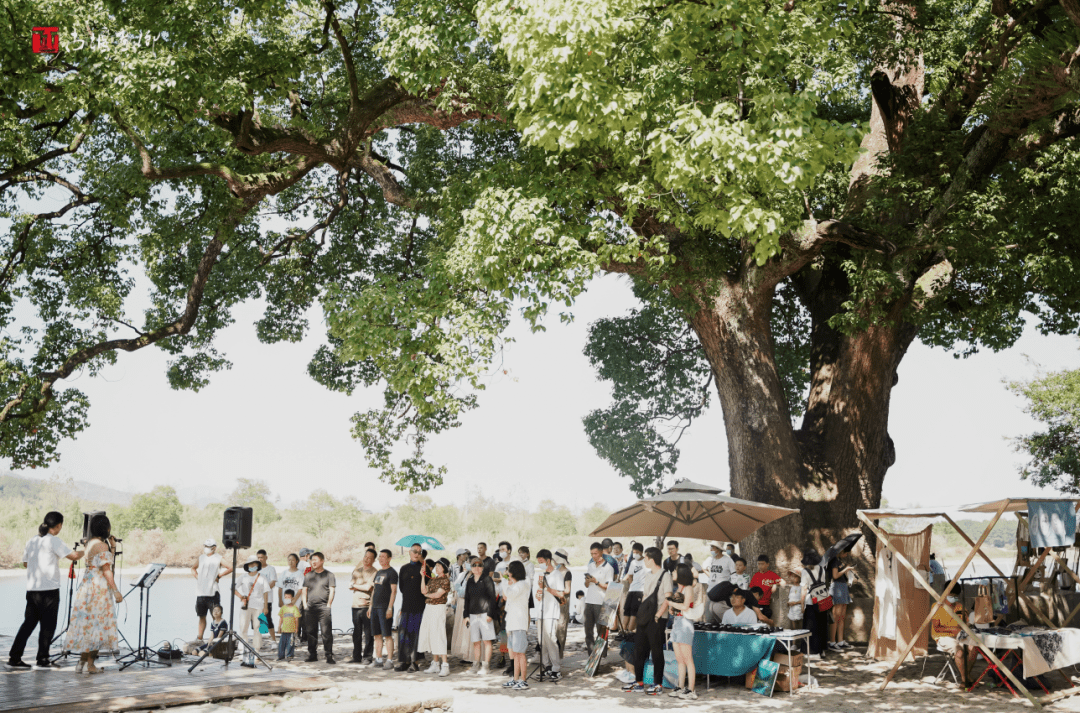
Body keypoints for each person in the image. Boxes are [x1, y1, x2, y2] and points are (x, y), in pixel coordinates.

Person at [8, 511, 84, 670]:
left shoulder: (32, 540)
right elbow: (75, 556)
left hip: (32, 590)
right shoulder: (54, 541)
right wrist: (88, 548)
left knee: (28, 624)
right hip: (49, 590)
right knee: (48, 626)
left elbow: (25, 564)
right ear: (58, 526)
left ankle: (14, 658)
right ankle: (42, 659)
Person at [68, 514, 121, 674]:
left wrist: (112, 547)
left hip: (87, 586)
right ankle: (90, 665)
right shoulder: (101, 546)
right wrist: (116, 590)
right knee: (99, 625)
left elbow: (102, 562)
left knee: (88, 626)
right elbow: (106, 570)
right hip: (99, 588)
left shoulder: (90, 543)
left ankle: (81, 663)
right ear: (106, 528)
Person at [623, 546, 671, 695]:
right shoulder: (648, 574)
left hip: (657, 618)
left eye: (645, 558)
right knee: (639, 649)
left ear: (652, 559)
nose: (644, 560)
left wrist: (658, 615)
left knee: (656, 651)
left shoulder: (665, 575)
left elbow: (668, 597)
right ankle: (639, 682)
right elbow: (646, 595)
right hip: (645, 617)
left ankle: (658, 684)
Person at [667, 563, 705, 700]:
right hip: (677, 623)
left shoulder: (688, 588)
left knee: (688, 659)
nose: (673, 572)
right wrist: (672, 608)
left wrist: (671, 604)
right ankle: (680, 686)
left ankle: (691, 689)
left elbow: (685, 606)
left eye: (675, 570)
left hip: (685, 624)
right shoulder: (679, 588)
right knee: (679, 659)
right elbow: (679, 608)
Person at [535, 549, 569, 681]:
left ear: (548, 561)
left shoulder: (557, 575)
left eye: (542, 562)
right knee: (541, 641)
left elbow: (561, 594)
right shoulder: (543, 575)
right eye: (538, 562)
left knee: (551, 640)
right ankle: (546, 666)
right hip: (541, 611)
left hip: (551, 612)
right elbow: (540, 594)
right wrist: (539, 593)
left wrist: (547, 588)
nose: (540, 564)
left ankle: (556, 668)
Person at [191, 538, 231, 643]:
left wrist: (219, 576)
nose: (206, 548)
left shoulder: (218, 558)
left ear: (214, 548)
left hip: (213, 592)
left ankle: (216, 639)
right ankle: (199, 638)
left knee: (216, 617)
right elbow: (193, 568)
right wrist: (197, 577)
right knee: (201, 616)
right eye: (205, 546)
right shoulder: (201, 557)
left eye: (208, 547)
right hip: (201, 592)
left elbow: (231, 567)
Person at [499, 560, 530, 690]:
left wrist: (504, 580)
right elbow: (507, 598)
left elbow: (509, 594)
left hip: (519, 624)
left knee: (520, 653)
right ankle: (515, 678)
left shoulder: (523, 584)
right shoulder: (516, 584)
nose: (507, 572)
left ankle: (523, 680)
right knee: (514, 653)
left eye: (509, 570)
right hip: (511, 623)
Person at [464, 556, 498, 675]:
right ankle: (475, 664)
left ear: (483, 567)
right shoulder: (470, 580)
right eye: (474, 565)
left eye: (479, 565)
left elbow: (492, 598)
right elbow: (467, 599)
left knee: (487, 640)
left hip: (485, 614)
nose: (477, 567)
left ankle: (486, 665)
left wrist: (490, 614)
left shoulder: (487, 579)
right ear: (471, 568)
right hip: (473, 614)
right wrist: (465, 615)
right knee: (475, 641)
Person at [418, 558, 452, 676]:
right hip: (429, 607)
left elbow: (438, 595)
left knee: (439, 634)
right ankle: (435, 663)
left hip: (438, 608)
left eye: (439, 566)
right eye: (436, 565)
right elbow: (423, 590)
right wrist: (423, 577)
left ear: (444, 568)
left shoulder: (445, 580)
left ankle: (445, 665)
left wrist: (427, 595)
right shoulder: (433, 579)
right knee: (432, 634)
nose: (437, 567)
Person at [235, 554, 269, 668]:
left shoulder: (262, 577)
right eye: (250, 564)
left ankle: (256, 651)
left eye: (254, 564)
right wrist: (241, 596)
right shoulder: (243, 577)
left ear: (258, 565)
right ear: (247, 566)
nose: (252, 566)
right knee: (243, 628)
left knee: (257, 628)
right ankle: (242, 651)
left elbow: (265, 592)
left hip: (258, 605)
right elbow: (233, 587)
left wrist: (266, 606)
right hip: (245, 605)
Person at [396, 543, 426, 672]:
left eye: (419, 552)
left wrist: (424, 568)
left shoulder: (424, 568)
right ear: (409, 552)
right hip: (406, 605)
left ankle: (415, 662)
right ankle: (405, 661)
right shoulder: (403, 568)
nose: (416, 554)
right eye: (414, 551)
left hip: (419, 607)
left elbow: (427, 588)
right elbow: (402, 588)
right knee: (403, 634)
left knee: (416, 634)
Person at [302, 552, 336, 664]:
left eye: (316, 559)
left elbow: (332, 590)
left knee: (326, 632)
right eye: (312, 560)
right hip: (310, 608)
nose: (313, 562)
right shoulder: (308, 575)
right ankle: (312, 655)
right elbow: (304, 591)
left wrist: (329, 605)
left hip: (323, 608)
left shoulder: (329, 575)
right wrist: (305, 605)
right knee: (311, 632)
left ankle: (329, 655)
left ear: (322, 561)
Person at [584, 542, 613, 655]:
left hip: (601, 602)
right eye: (591, 554)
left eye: (595, 553)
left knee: (601, 630)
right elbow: (586, 585)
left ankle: (601, 654)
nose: (593, 556)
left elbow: (609, 587)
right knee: (588, 631)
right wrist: (587, 581)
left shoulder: (608, 567)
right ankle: (591, 654)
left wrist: (596, 582)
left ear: (601, 552)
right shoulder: (590, 566)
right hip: (589, 600)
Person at [350, 549, 378, 664]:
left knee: (368, 633)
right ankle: (356, 657)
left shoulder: (375, 572)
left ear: (373, 560)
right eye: (365, 557)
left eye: (369, 558)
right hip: (355, 605)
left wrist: (356, 586)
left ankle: (367, 657)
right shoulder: (357, 571)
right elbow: (350, 585)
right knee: (356, 632)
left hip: (367, 605)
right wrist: (359, 586)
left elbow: (368, 588)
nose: (366, 559)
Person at [371, 549, 398, 670]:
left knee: (387, 635)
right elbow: (374, 590)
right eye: (379, 557)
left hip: (385, 607)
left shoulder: (392, 573)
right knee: (376, 635)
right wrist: (370, 606)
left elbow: (394, 591)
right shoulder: (378, 572)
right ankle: (378, 659)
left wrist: (390, 608)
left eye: (383, 557)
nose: (381, 559)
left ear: (389, 558)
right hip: (375, 607)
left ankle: (390, 660)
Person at [800, 550, 829, 658]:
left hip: (810, 601)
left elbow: (804, 589)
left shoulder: (805, 571)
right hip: (822, 600)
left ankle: (811, 651)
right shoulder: (822, 569)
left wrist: (802, 605)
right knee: (821, 626)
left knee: (810, 627)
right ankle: (821, 650)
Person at [828, 550, 856, 651]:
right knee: (836, 616)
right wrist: (846, 569)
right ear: (840, 551)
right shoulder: (834, 561)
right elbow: (835, 576)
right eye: (845, 552)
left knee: (842, 616)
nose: (846, 554)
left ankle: (840, 641)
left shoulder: (839, 561)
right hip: (837, 587)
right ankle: (832, 642)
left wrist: (847, 569)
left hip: (843, 587)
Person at [703, 541, 735, 623]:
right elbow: (704, 568)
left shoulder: (728, 560)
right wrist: (710, 577)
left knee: (722, 617)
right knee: (709, 618)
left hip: (721, 594)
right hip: (710, 592)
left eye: (712, 547)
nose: (711, 549)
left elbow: (734, 575)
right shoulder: (711, 560)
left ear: (718, 549)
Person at [450, 552, 473, 663]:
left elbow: (465, 591)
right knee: (461, 629)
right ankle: (464, 654)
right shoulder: (463, 574)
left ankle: (470, 655)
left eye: (468, 562)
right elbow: (456, 586)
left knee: (467, 629)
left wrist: (459, 591)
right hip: (460, 603)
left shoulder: (474, 576)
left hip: (468, 603)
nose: (466, 564)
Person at [279, 554, 305, 646]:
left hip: (295, 601)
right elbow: (280, 588)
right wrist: (280, 600)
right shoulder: (284, 573)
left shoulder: (300, 574)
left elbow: (300, 589)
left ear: (297, 561)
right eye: (289, 560)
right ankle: (286, 637)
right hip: (285, 600)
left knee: (295, 619)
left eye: (293, 560)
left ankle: (295, 636)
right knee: (286, 618)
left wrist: (295, 599)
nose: (290, 562)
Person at [622, 542, 646, 634]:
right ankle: (623, 631)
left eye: (636, 552)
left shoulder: (646, 561)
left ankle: (629, 631)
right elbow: (630, 575)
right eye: (633, 552)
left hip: (641, 590)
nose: (635, 554)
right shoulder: (632, 562)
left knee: (634, 612)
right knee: (626, 610)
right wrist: (631, 584)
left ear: (641, 552)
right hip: (632, 590)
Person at [256, 549, 278, 645]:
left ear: (266, 558)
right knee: (257, 620)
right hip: (256, 599)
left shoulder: (270, 569)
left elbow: (273, 582)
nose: (260, 559)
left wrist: (263, 589)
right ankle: (258, 640)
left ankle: (273, 640)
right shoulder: (255, 569)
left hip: (267, 599)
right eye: (258, 558)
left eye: (262, 557)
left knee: (268, 618)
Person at [749, 555, 781, 621]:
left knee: (766, 617)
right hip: (756, 603)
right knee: (755, 619)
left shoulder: (771, 574)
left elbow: (782, 582)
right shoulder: (756, 576)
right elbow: (752, 589)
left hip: (766, 603)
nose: (760, 566)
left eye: (762, 564)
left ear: (767, 564)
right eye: (759, 564)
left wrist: (774, 584)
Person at [278, 590, 300, 660]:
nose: (287, 599)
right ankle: (281, 656)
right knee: (281, 644)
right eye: (285, 597)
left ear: (292, 598)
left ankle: (289, 655)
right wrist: (279, 627)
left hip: (292, 630)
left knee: (290, 644)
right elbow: (281, 618)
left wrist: (296, 628)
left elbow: (296, 619)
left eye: (288, 597)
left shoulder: (295, 608)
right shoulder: (283, 608)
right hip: (284, 630)